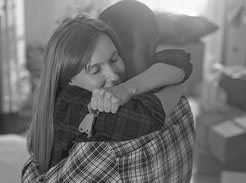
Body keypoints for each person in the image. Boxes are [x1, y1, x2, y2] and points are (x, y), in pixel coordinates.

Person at [22, 1, 195, 182]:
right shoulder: (72, 104)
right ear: (68, 79)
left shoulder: (106, 147)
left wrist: (126, 88)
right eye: (95, 70)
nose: (113, 75)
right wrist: (178, 87)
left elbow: (182, 61)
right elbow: (148, 116)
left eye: (115, 58)